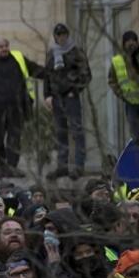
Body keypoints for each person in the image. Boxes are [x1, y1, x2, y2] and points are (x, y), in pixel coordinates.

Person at [0, 38, 45, 178]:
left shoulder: (18, 58)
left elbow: (36, 70)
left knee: (14, 137)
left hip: (17, 107)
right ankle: (0, 166)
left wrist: (53, 74)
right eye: (1, 46)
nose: (4, 49)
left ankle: (12, 166)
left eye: (6, 46)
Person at [43, 23, 92, 180]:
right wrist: (47, 95)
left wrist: (74, 90)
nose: (61, 38)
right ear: (55, 37)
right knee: (60, 132)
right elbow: (47, 75)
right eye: (58, 35)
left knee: (76, 131)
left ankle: (79, 166)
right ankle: (62, 166)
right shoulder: (51, 54)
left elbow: (86, 75)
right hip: (56, 98)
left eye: (64, 34)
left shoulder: (76, 52)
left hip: (71, 97)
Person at [109, 31, 139, 156]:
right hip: (130, 102)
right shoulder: (117, 60)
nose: (130, 44)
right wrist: (122, 95)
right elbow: (112, 80)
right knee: (135, 139)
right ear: (123, 44)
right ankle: (137, 169)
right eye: (127, 42)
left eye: (133, 41)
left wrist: (137, 55)